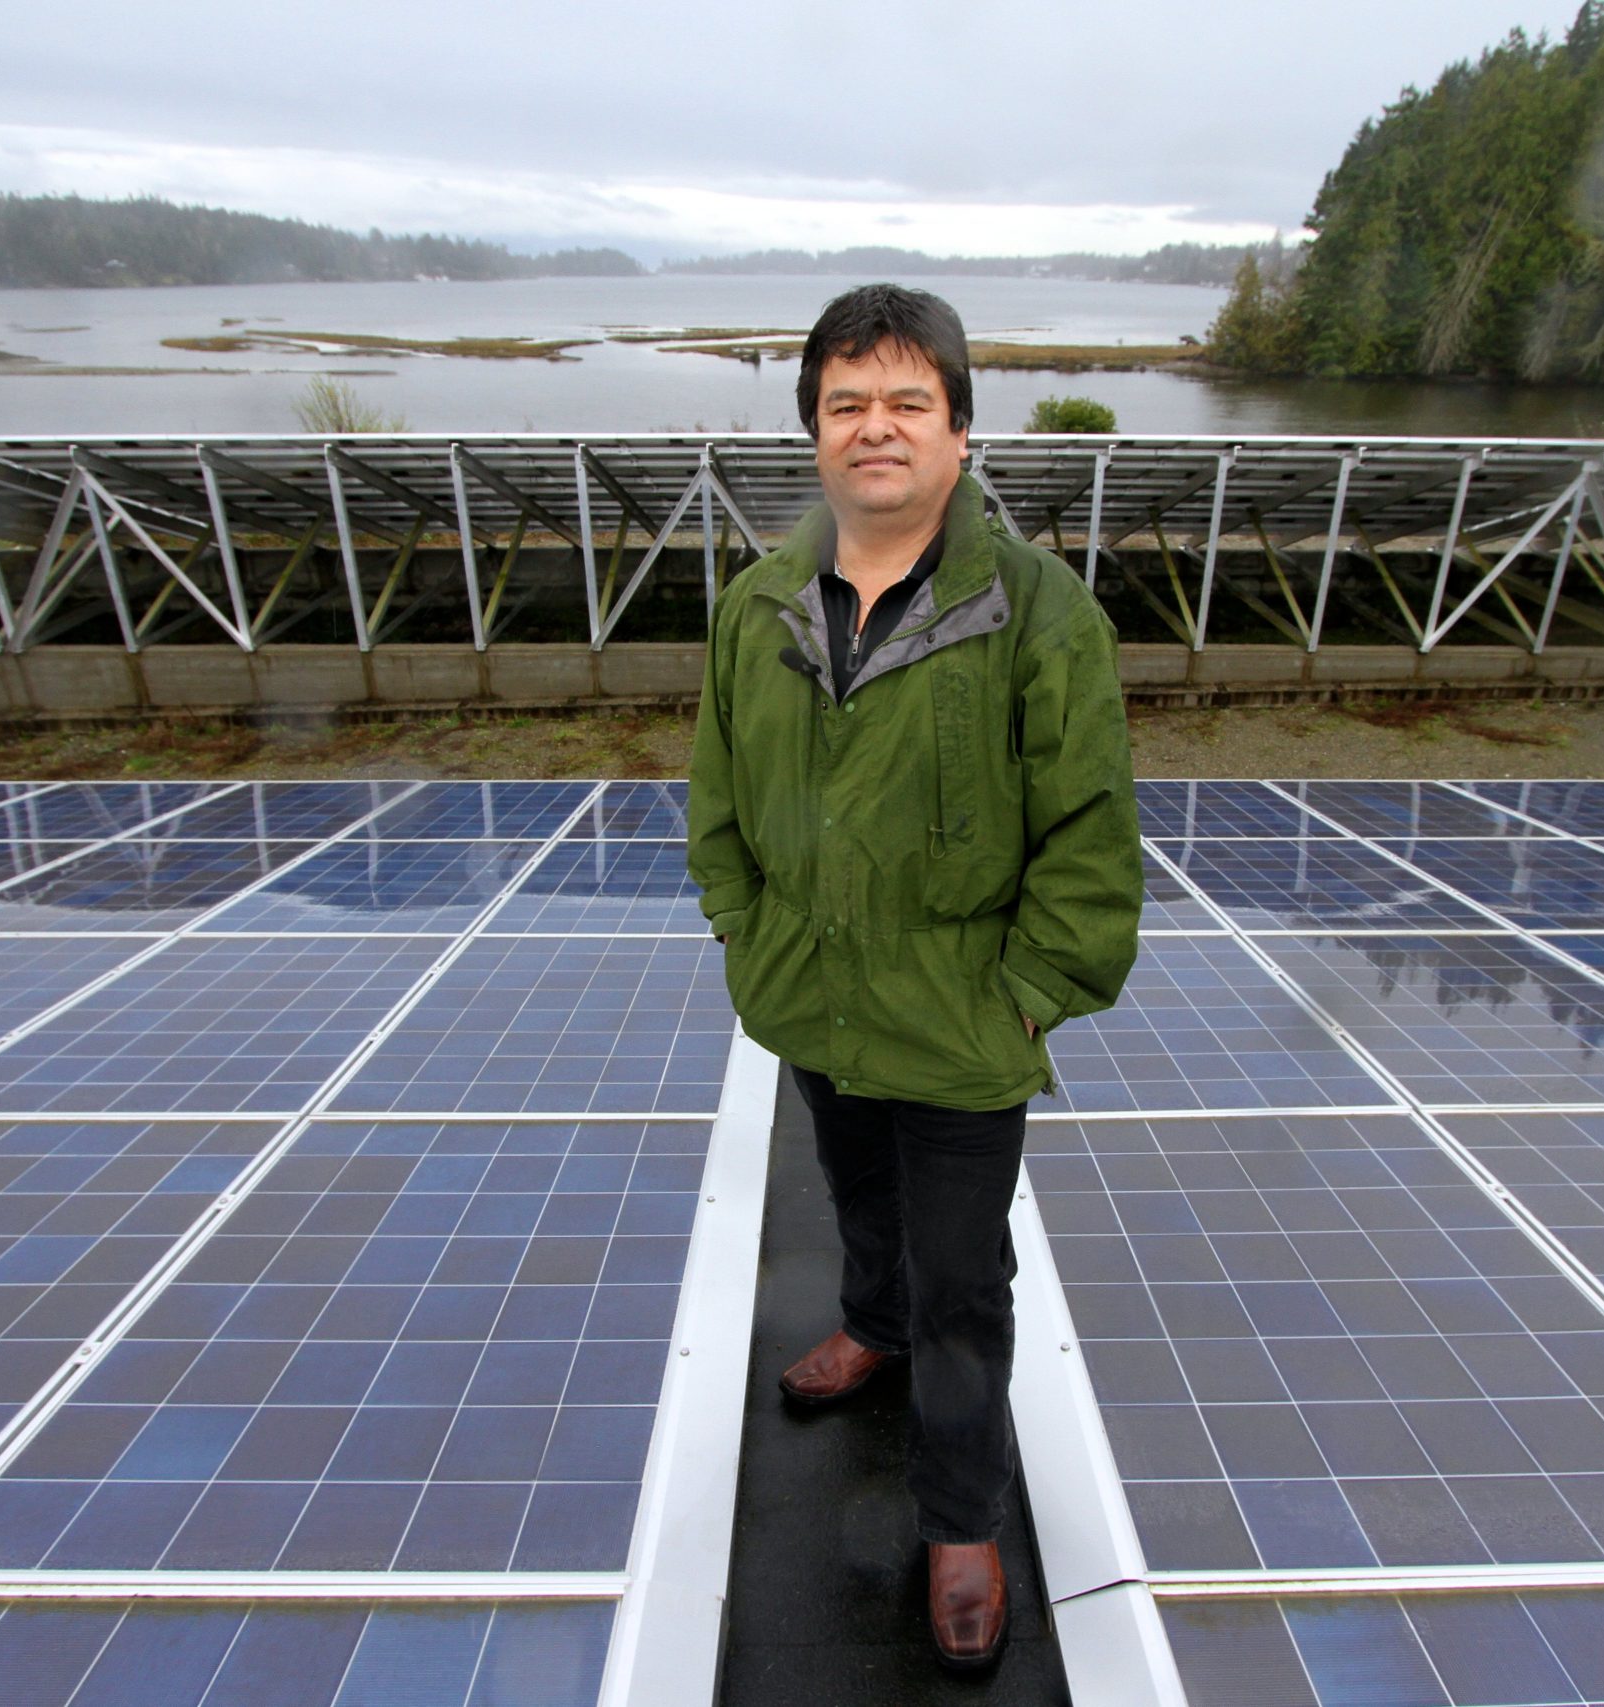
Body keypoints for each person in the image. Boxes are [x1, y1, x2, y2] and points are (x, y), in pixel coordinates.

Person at [686, 282, 1143, 1672]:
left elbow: (1089, 839)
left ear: (957, 433)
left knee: (965, 1285)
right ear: (816, 434)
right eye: (844, 405)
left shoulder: (1040, 617)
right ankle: (863, 1329)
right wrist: (753, 940)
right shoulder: (757, 605)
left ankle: (958, 1522)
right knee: (854, 1196)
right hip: (814, 1003)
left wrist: (1019, 997)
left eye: (904, 403)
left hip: (962, 1032)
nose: (872, 429)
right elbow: (717, 803)